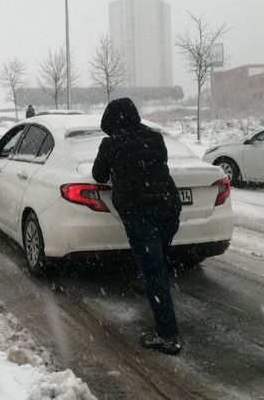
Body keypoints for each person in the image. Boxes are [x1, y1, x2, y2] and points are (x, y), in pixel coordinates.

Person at [92, 98, 183, 355]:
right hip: (169, 207)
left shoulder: (111, 143)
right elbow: (158, 163)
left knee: (153, 272)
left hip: (139, 211)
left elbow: (99, 175)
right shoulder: (154, 137)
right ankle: (162, 311)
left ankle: (167, 335)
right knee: (159, 265)